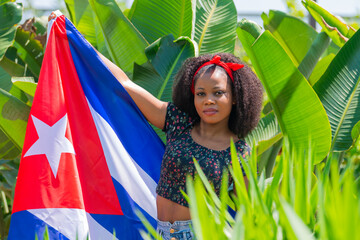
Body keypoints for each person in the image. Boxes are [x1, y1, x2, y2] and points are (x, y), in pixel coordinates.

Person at [48, 13, 263, 240]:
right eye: (201, 94)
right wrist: (75, 39)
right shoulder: (178, 122)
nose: (208, 100)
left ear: (235, 97)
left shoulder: (238, 153)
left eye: (218, 93)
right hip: (159, 231)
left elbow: (248, 213)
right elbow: (124, 84)